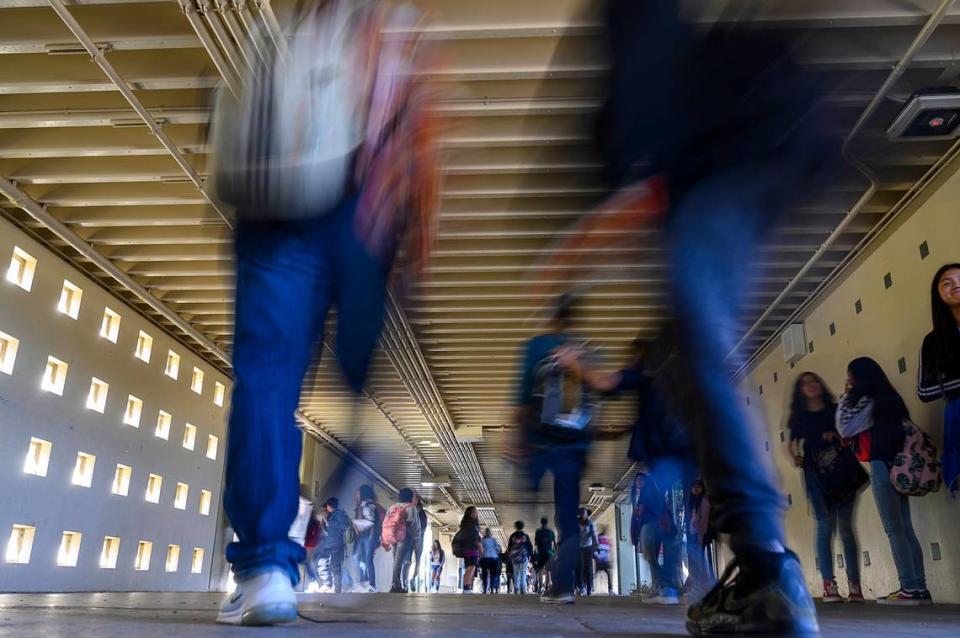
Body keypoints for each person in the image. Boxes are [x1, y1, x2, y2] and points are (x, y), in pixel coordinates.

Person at [591, 2, 834, 633]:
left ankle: (766, 569)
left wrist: (590, 217)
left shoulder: (646, 39)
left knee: (695, 338)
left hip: (719, 159)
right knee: (689, 342)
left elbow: (643, 85)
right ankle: (762, 569)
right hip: (762, 146)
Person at [215, 1, 440, 626]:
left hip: (276, 197)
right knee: (353, 381)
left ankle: (265, 571)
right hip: (361, 215)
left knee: (266, 382)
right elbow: (424, 134)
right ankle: (355, 459)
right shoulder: (402, 30)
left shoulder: (289, 29)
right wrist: (420, 232)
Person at [513, 294, 592, 605]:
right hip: (574, 447)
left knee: (530, 484)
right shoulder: (587, 352)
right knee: (568, 518)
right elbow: (598, 394)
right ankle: (563, 588)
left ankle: (530, 494)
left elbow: (520, 401)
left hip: (541, 441)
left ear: (552, 317)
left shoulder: (535, 347)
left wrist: (515, 440)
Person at [838, 357, 931, 605]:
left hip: (882, 465)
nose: (849, 381)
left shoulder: (868, 401)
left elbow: (844, 427)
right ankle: (920, 587)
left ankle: (909, 587)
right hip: (901, 467)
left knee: (893, 529)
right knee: (906, 528)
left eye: (851, 377)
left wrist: (846, 396)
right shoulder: (892, 399)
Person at [787, 373, 863, 603]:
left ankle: (855, 585)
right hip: (816, 474)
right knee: (824, 525)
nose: (810, 386)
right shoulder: (798, 417)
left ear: (821, 384)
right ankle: (829, 585)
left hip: (842, 470)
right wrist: (795, 457)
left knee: (846, 528)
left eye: (814, 381)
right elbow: (790, 445)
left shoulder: (835, 408)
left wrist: (837, 436)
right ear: (799, 390)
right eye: (804, 383)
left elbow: (849, 431)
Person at [918, 263, 960, 495]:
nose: (956, 285)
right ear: (938, 295)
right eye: (947, 283)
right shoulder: (933, 341)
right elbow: (924, 391)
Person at [630, 472, 681, 606]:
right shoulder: (655, 493)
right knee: (654, 557)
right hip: (659, 528)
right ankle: (659, 587)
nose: (639, 482)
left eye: (641, 480)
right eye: (637, 480)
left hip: (647, 527)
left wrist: (635, 513)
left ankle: (662, 586)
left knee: (650, 558)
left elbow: (640, 512)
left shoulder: (644, 494)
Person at [685, 480, 716, 602]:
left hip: (701, 534)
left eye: (698, 487)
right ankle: (701, 587)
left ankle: (705, 587)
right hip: (695, 533)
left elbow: (704, 520)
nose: (696, 489)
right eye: (694, 487)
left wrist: (701, 536)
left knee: (702, 560)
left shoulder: (704, 500)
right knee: (698, 560)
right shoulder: (694, 501)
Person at [385, 488, 420, 593]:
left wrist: (386, 538)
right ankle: (395, 585)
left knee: (396, 561)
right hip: (405, 537)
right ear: (410, 497)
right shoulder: (411, 508)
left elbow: (386, 521)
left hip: (393, 537)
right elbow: (415, 526)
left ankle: (397, 585)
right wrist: (416, 539)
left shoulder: (393, 507)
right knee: (399, 561)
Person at [316, 497, 351, 593]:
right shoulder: (333, 514)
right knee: (322, 562)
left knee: (335, 566)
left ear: (330, 506)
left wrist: (330, 523)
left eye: (327, 505)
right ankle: (328, 584)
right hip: (330, 544)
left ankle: (337, 589)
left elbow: (345, 525)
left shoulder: (339, 514)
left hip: (336, 545)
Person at [353, 484, 382, 593]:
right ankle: (365, 581)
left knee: (367, 559)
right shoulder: (364, 504)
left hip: (370, 535)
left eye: (358, 492)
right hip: (365, 536)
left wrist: (354, 522)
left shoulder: (369, 505)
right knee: (358, 558)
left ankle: (371, 584)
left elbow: (370, 522)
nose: (357, 494)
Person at [457, 506, 482, 592]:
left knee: (471, 567)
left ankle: (467, 586)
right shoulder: (469, 524)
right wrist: (480, 546)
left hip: (472, 550)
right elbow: (473, 537)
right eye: (473, 512)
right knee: (471, 567)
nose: (475, 514)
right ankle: (466, 587)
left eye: (476, 512)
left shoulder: (472, 524)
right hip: (470, 548)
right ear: (469, 514)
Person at [575, 509, 599, 596]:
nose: (582, 516)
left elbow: (593, 534)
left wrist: (596, 545)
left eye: (584, 514)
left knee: (588, 568)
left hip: (588, 548)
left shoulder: (590, 523)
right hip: (579, 548)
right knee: (579, 568)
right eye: (581, 514)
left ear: (586, 515)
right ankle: (581, 588)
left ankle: (589, 588)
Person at [507, 521, 534, 595]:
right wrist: (530, 555)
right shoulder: (525, 536)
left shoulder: (512, 536)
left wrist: (510, 555)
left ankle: (516, 588)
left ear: (515, 527)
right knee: (523, 572)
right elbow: (529, 546)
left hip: (515, 557)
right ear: (522, 527)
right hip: (523, 556)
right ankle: (523, 589)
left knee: (516, 573)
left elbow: (509, 547)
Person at [409, 495, 428, 592]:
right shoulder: (411, 511)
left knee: (418, 560)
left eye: (414, 500)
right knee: (408, 561)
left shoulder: (422, 514)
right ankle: (406, 580)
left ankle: (412, 579)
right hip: (412, 539)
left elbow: (423, 529)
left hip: (418, 540)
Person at [533, 517, 557, 593]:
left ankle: (540, 587)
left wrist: (536, 552)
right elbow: (554, 543)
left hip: (540, 553)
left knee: (540, 570)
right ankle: (547, 587)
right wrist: (555, 552)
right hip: (549, 553)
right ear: (547, 523)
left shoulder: (537, 531)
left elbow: (536, 543)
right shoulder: (551, 531)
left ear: (541, 523)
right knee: (548, 571)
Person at [480, 528, 502, 594]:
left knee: (484, 574)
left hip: (485, 558)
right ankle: (492, 588)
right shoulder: (494, 540)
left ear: (485, 533)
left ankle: (485, 589)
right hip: (493, 559)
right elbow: (498, 549)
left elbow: (480, 549)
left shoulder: (482, 540)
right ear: (490, 533)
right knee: (493, 574)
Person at [594, 526, 614, 595]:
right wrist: (597, 557)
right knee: (597, 574)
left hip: (605, 560)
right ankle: (590, 587)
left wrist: (610, 559)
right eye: (606, 530)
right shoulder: (599, 537)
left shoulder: (607, 539)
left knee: (607, 574)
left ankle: (610, 589)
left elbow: (609, 549)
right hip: (600, 559)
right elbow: (596, 547)